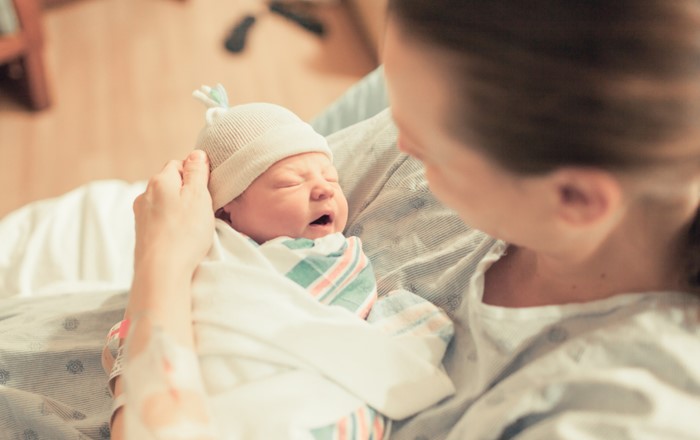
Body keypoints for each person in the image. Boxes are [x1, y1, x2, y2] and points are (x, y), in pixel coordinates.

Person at [114, 0, 700, 439]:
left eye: (426, 145)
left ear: (574, 199)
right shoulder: (458, 141)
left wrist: (160, 265)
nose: (396, 143)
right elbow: (250, 206)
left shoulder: (610, 408)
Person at [104, 85, 455, 439]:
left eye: (331, 178)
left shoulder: (337, 256)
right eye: (290, 183)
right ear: (226, 211)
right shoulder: (216, 252)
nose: (324, 189)